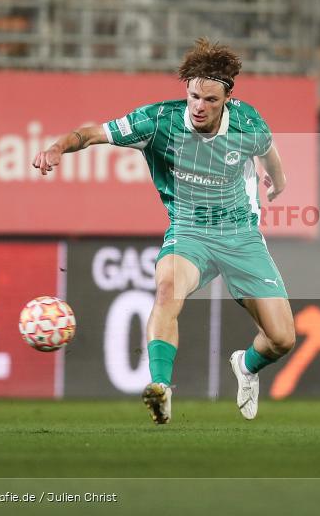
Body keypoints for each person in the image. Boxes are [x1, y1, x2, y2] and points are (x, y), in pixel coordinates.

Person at [32, 38, 295, 425]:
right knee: (167, 290)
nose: (199, 107)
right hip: (189, 232)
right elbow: (91, 134)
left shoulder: (247, 121)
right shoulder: (158, 121)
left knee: (282, 339)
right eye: (193, 97)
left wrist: (279, 179)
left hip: (241, 235)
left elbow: (267, 147)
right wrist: (57, 148)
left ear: (226, 99)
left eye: (210, 100)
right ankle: (160, 388)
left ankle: (246, 366)